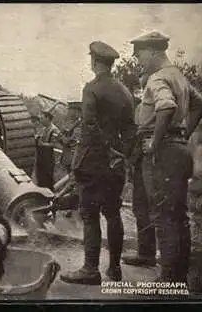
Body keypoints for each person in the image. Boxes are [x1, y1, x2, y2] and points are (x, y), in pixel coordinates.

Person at [122, 31, 202, 283]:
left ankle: (169, 280)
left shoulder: (158, 77)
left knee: (164, 218)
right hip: (178, 149)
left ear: (152, 51)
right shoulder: (177, 76)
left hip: (163, 152)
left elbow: (167, 106)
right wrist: (183, 134)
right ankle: (178, 276)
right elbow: (201, 103)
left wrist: (156, 142)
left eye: (139, 55)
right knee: (178, 216)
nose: (138, 60)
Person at [59, 41, 137, 285]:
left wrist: (89, 158)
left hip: (93, 163)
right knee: (113, 214)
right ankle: (114, 269)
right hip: (115, 165)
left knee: (90, 215)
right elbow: (131, 130)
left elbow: (90, 127)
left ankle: (90, 269)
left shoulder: (91, 88)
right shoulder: (125, 92)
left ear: (94, 62)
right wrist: (120, 153)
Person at [35, 108, 62, 189]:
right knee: (40, 178)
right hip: (41, 157)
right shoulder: (44, 129)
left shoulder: (54, 130)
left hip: (48, 158)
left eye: (42, 118)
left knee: (48, 179)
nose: (41, 120)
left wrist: (43, 144)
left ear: (47, 118)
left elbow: (55, 144)